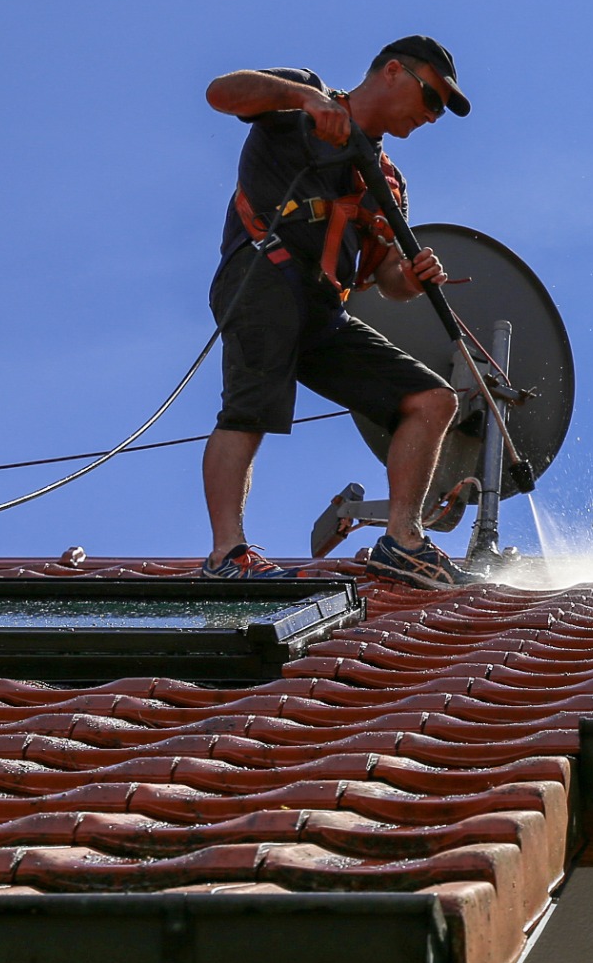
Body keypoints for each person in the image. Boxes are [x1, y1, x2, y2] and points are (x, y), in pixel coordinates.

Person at [198, 35, 479, 589]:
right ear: (393, 72)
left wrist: (413, 277)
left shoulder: (388, 182)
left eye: (441, 109)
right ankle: (226, 556)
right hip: (262, 273)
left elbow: (385, 279)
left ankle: (402, 541)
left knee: (431, 399)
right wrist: (306, 102)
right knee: (251, 409)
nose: (432, 115)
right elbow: (220, 92)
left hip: (324, 310)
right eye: (431, 98)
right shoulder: (302, 96)